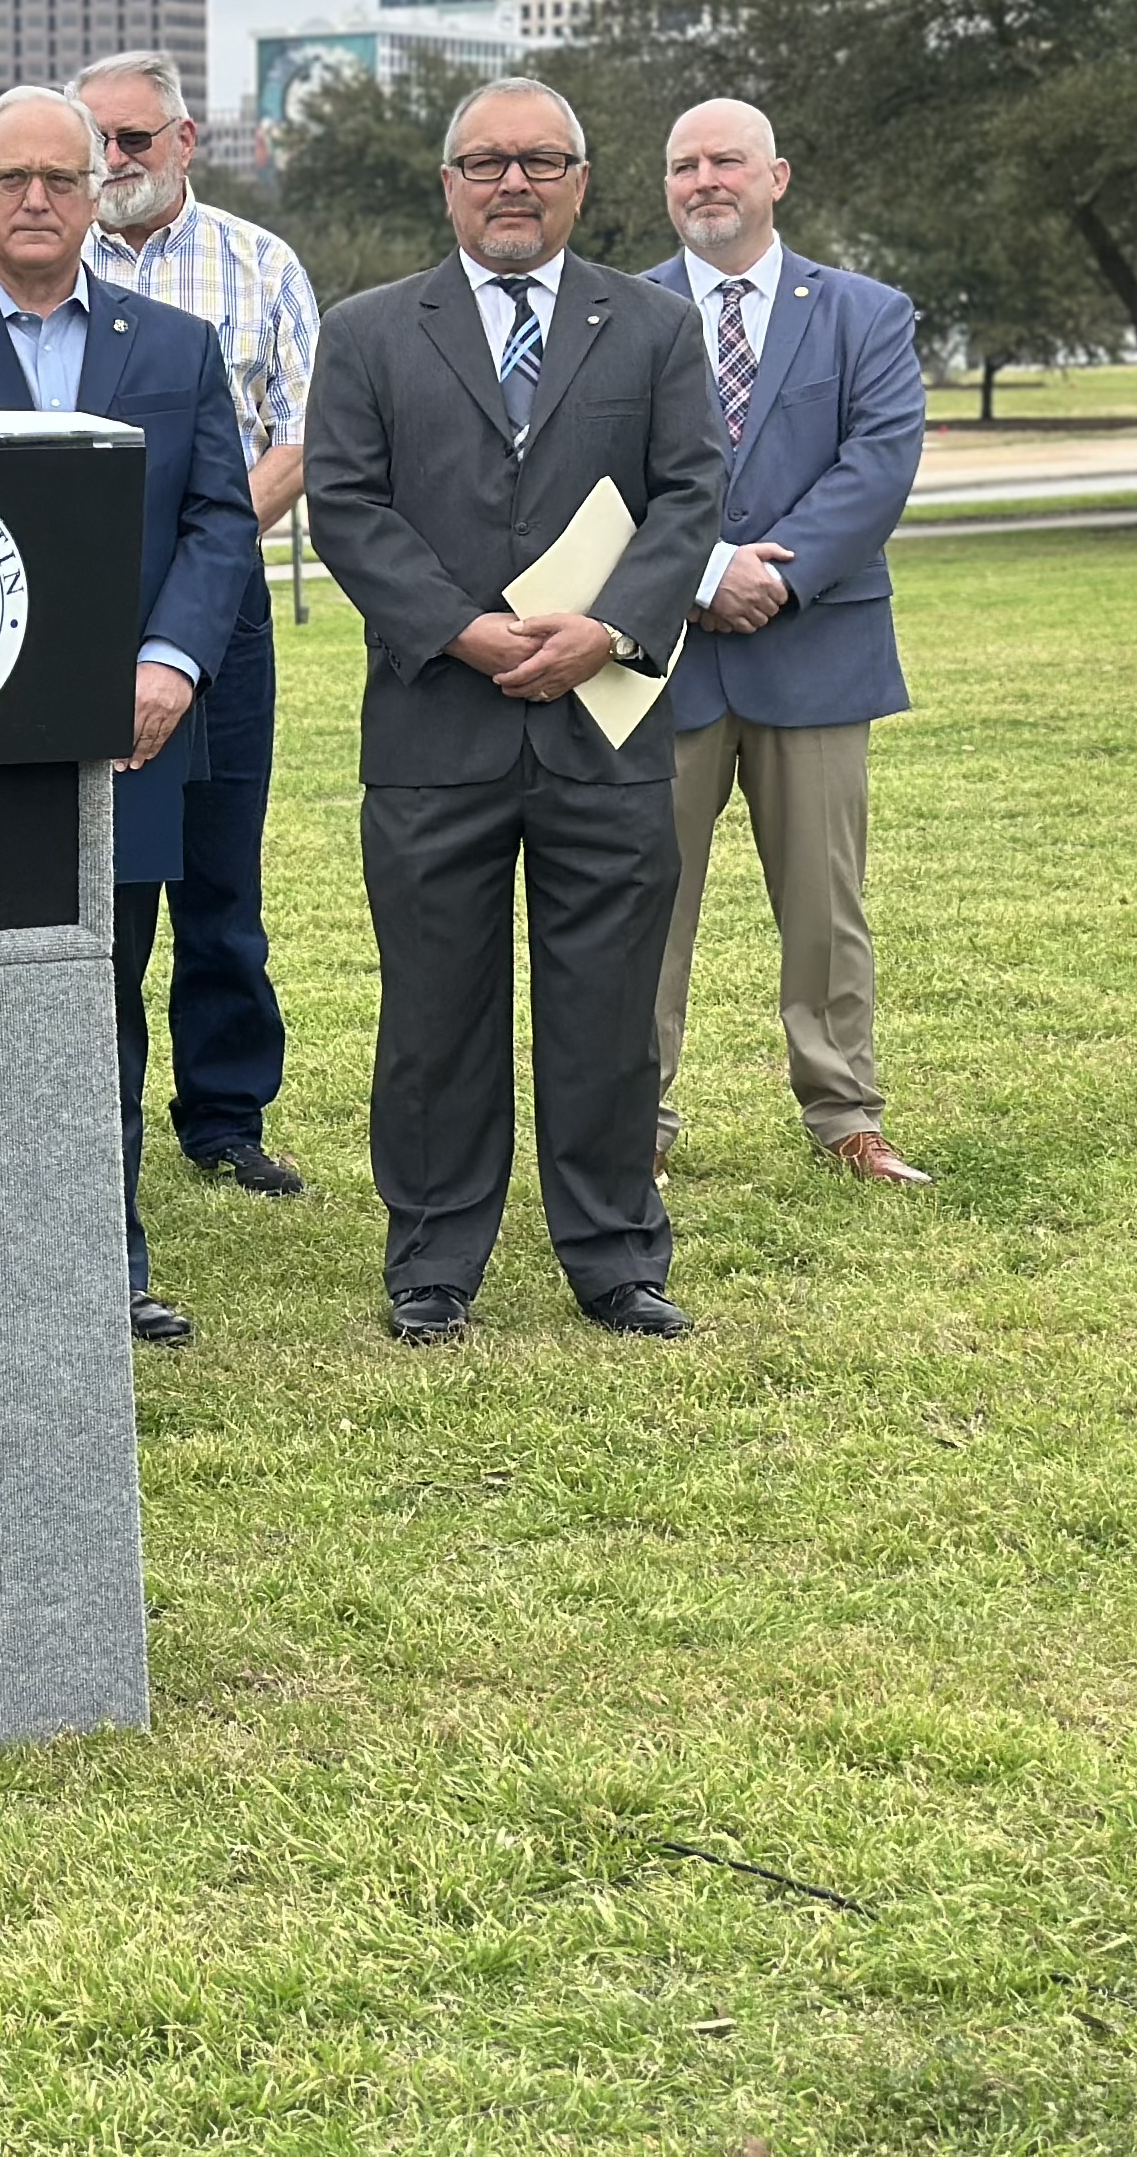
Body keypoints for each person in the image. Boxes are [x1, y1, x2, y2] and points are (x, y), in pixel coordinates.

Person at [303, 79, 724, 1345]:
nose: (513, 183)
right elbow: (347, 506)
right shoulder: (373, 330)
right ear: (448, 184)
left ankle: (613, 1258)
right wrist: (465, 630)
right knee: (436, 1007)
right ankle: (433, 1261)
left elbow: (691, 496)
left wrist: (611, 627)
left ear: (581, 182)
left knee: (606, 1006)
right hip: (438, 721)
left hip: (604, 721)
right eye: (486, 162)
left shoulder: (650, 327)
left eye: (541, 161)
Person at [0, 89, 260, 1347]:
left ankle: (109, 1265)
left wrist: (171, 664)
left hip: (131, 731)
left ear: (98, 194)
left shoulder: (172, 348)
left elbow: (221, 518)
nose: (39, 200)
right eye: (13, 181)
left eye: (63, 178)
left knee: (100, 998)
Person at [642, 101, 931, 1189]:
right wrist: (705, 571)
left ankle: (845, 1114)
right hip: (661, 660)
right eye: (684, 165)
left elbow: (880, 462)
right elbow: (596, 475)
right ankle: (636, 1124)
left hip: (816, 649)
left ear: (777, 177)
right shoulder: (620, 315)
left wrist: (779, 571)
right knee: (641, 907)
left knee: (825, 905)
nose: (705, 179)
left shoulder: (865, 312)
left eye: (726, 161)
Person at [75, 49, 319, 1204]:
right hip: (74, 620)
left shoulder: (261, 265)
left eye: (132, 140)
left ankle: (225, 1117)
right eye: (95, 143)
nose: (110, 163)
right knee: (95, 883)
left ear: (184, 142)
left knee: (221, 886)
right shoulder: (45, 264)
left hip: (223, 622)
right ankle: (88, 1101)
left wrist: (200, 556)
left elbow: (300, 439)